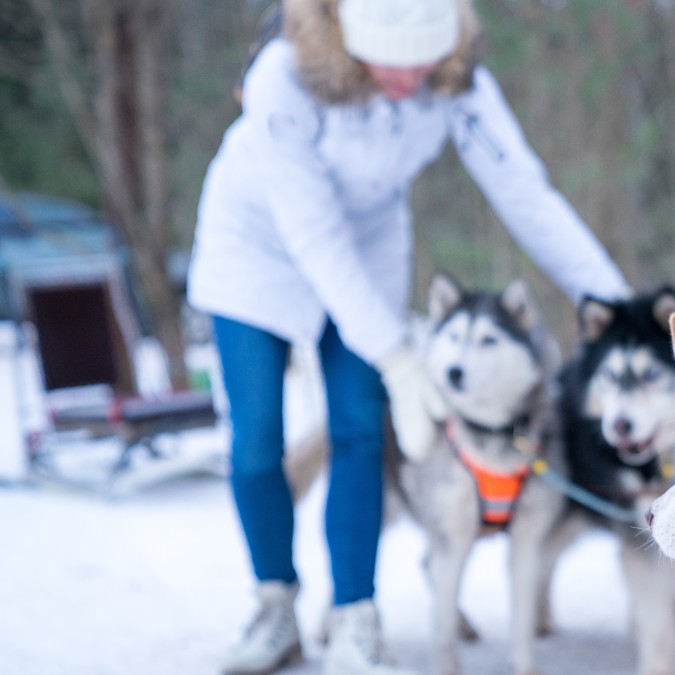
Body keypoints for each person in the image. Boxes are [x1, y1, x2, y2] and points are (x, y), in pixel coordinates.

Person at [186, 0, 630, 673]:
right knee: (256, 441)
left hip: (367, 250)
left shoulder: (457, 82)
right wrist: (396, 357)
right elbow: (312, 231)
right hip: (255, 251)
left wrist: (618, 312)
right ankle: (274, 604)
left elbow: (525, 194)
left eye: (424, 60)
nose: (409, 77)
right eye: (391, 62)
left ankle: (355, 615)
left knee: (361, 428)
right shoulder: (284, 74)